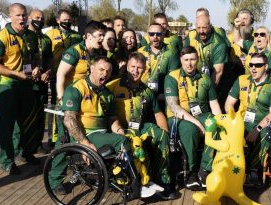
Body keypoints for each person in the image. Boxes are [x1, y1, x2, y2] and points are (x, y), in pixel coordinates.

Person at [48, 56, 130, 194]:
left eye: (108, 71)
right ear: (92, 69)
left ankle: (113, 176)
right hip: (83, 133)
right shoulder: (76, 89)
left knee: (125, 137)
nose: (105, 73)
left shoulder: (107, 93)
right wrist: (85, 142)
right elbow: (69, 119)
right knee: (121, 141)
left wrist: (119, 129)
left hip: (101, 132)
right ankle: (128, 180)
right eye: (101, 69)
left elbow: (112, 119)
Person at [107, 52, 176, 200]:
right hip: (118, 128)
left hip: (140, 126)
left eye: (139, 68)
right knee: (135, 139)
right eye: (132, 66)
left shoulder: (147, 91)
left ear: (144, 70)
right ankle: (140, 184)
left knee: (162, 135)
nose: (135, 71)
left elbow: (158, 114)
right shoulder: (113, 86)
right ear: (127, 67)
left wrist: (165, 135)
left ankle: (164, 181)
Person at [164, 46, 222, 188]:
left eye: (192, 59)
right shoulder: (172, 77)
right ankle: (190, 172)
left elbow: (214, 106)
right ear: (181, 60)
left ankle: (204, 170)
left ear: (198, 60)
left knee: (214, 125)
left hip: (202, 115)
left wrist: (221, 122)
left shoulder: (205, 79)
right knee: (190, 129)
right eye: (186, 60)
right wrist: (197, 123)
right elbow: (173, 107)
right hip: (178, 117)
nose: (189, 63)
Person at [224, 53, 271, 185]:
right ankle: (225, 167)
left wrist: (257, 129)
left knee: (264, 132)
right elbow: (228, 104)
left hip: (261, 123)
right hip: (241, 121)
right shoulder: (241, 80)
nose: (253, 68)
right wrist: (233, 121)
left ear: (266, 66)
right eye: (251, 65)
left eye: (258, 65)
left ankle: (253, 170)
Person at [0, 3, 40, 174]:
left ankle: (25, 153)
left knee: (28, 122)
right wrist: (16, 74)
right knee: (7, 125)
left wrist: (37, 68)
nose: (22, 18)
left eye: (24, 15)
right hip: (7, 84)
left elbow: (35, 57)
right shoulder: (1, 37)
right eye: (18, 15)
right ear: (10, 16)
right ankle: (7, 161)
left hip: (27, 83)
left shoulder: (31, 35)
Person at [56, 20, 105, 100]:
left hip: (89, 97)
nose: (102, 38)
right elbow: (60, 74)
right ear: (89, 36)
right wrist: (61, 98)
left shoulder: (99, 53)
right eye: (100, 35)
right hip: (72, 96)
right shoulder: (74, 51)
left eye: (103, 35)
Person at [27, 8, 53, 153]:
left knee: (40, 115)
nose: (40, 20)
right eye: (37, 17)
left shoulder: (46, 39)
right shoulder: (24, 36)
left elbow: (50, 58)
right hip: (27, 82)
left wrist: (48, 71)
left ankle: (37, 144)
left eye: (42, 18)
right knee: (26, 116)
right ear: (30, 19)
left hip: (42, 83)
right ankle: (25, 148)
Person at [46, 9, 82, 104]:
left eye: (69, 20)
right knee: (57, 98)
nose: (67, 22)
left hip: (73, 73)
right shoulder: (50, 34)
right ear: (58, 20)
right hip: (55, 72)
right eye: (65, 20)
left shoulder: (77, 36)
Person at [137, 23, 180, 96]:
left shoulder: (172, 52)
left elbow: (173, 77)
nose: (155, 37)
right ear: (147, 35)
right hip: (143, 94)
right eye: (151, 34)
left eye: (158, 34)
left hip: (164, 94)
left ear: (163, 35)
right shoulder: (140, 51)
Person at [227, 9, 254, 74]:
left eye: (245, 19)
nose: (242, 22)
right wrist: (235, 61)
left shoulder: (257, 36)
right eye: (240, 19)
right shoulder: (229, 38)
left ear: (251, 21)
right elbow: (224, 58)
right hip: (234, 74)